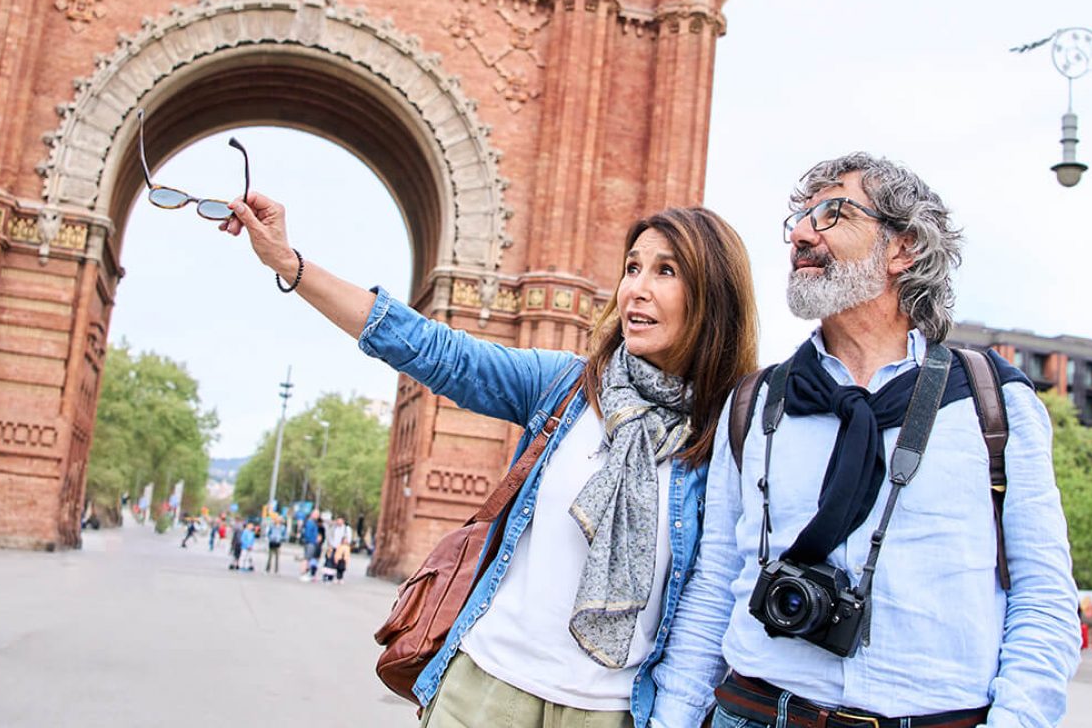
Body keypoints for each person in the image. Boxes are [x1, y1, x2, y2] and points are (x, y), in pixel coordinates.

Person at [222, 191, 758, 727]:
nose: (636, 290)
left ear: (712, 297)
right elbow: (433, 350)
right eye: (632, 268)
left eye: (665, 272)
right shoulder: (567, 389)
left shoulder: (725, 437)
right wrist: (289, 264)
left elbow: (707, 606)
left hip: (610, 712)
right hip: (482, 691)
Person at [650, 153, 1080, 728]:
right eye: (799, 219)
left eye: (833, 213)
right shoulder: (756, 404)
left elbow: (1043, 597)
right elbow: (712, 586)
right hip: (754, 713)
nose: (802, 233)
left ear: (904, 249)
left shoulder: (992, 404)